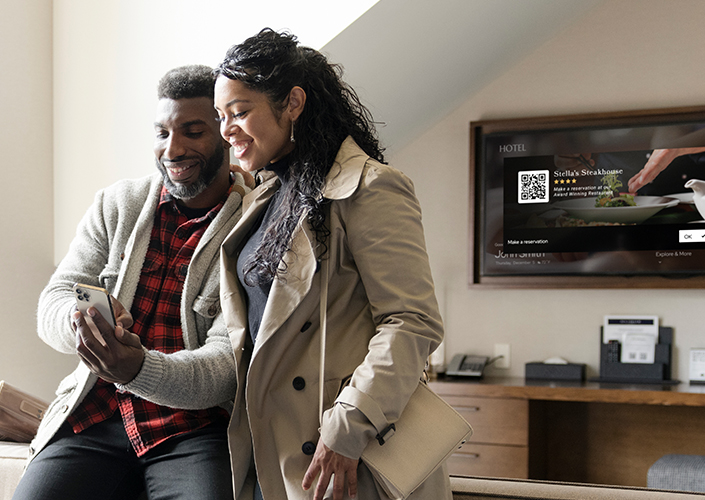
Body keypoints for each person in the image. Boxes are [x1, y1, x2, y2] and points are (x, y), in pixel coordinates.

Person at [214, 29, 451, 500]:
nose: (226, 129)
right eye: (222, 116)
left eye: (240, 112)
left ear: (293, 103)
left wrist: (347, 427)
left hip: (340, 448)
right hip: (268, 446)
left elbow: (412, 322)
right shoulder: (263, 198)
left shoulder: (371, 187)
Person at [13, 65, 253, 500]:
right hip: (96, 414)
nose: (172, 149)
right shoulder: (117, 204)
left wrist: (137, 369)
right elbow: (56, 298)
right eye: (162, 133)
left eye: (192, 132)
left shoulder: (254, 226)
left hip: (193, 429)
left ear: (225, 134)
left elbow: (226, 368)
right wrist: (81, 320)